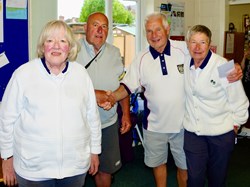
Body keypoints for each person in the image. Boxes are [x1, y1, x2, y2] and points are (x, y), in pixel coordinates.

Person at [102, 12, 243, 187]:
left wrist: (232, 66)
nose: (154, 35)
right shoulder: (141, 58)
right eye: (149, 31)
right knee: (158, 165)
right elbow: (128, 86)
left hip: (183, 125)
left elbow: (210, 58)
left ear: (167, 29)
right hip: (154, 125)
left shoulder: (184, 48)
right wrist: (112, 97)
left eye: (158, 29)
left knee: (184, 168)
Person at [0, 20, 101, 187]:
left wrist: (95, 151)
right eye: (50, 40)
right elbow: (6, 120)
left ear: (70, 47)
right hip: (33, 170)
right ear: (42, 46)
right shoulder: (23, 75)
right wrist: (7, 158)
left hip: (74, 168)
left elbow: (92, 117)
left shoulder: (81, 75)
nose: (56, 46)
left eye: (62, 41)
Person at [183, 24, 249, 187]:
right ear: (187, 43)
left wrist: (235, 125)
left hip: (220, 135)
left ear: (210, 44)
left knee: (217, 180)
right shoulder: (184, 62)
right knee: (194, 179)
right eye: (193, 42)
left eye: (203, 42)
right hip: (193, 133)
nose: (197, 47)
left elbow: (240, 101)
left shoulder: (224, 66)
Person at [76, 12, 131, 187]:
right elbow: (62, 88)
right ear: (85, 28)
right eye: (95, 25)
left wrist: (126, 115)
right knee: (75, 172)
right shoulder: (71, 51)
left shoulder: (115, 53)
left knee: (105, 170)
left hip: (108, 124)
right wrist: (95, 94)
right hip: (79, 125)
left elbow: (123, 86)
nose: (100, 30)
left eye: (104, 26)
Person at [239, 45, 250, 136]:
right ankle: (244, 125)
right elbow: (242, 67)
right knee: (245, 103)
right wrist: (244, 57)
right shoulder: (247, 60)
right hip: (246, 84)